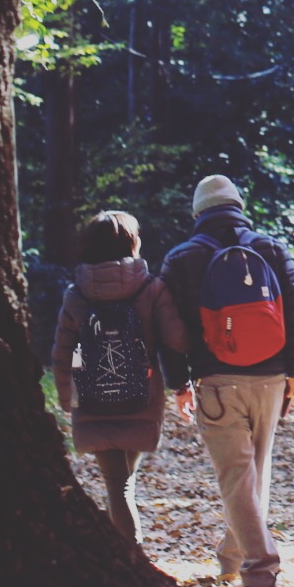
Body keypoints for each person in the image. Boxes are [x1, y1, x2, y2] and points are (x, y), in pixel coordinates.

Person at [159, 176, 294, 587]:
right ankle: (232, 558)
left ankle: (261, 568)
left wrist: (179, 384)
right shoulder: (270, 248)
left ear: (198, 212)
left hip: (217, 379)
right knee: (253, 474)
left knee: (235, 476)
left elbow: (171, 333)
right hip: (271, 378)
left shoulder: (181, 258)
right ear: (239, 206)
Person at [51, 211, 187, 541]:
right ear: (132, 243)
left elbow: (62, 353)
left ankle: (129, 552)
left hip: (93, 398)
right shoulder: (151, 289)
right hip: (141, 395)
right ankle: (132, 555)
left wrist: (66, 398)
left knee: (118, 482)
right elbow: (178, 340)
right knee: (124, 481)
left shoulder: (75, 294)